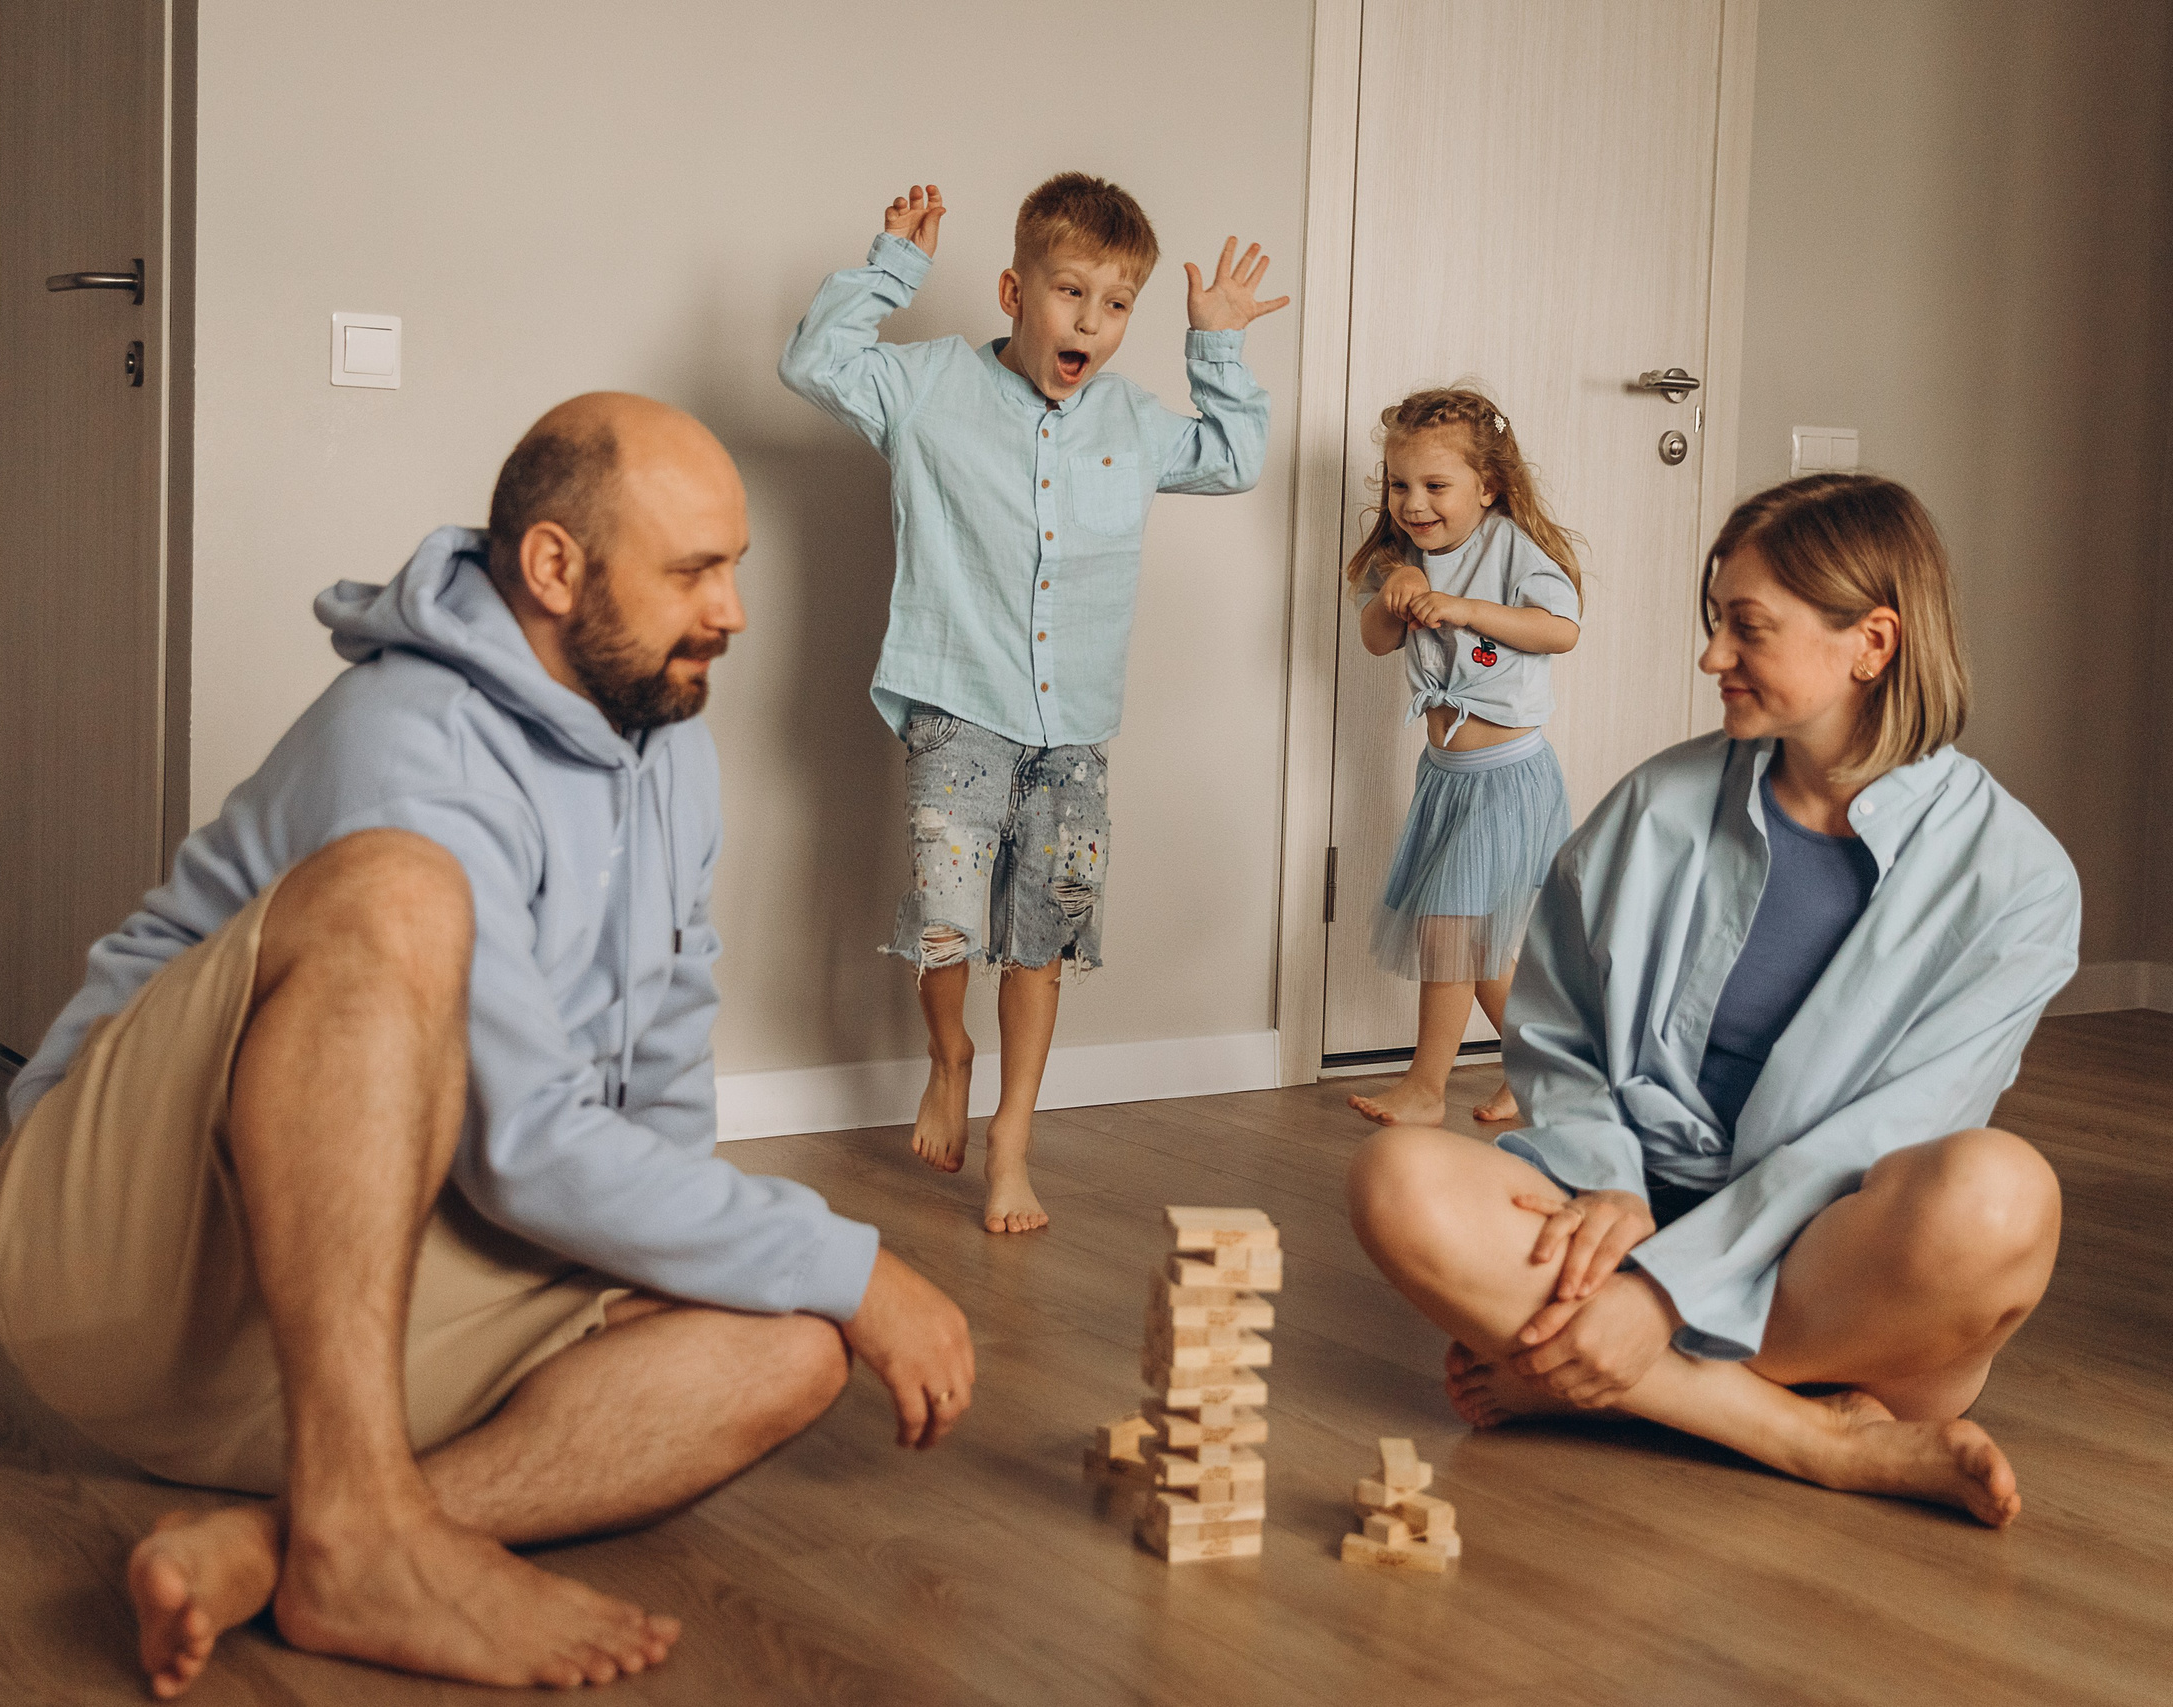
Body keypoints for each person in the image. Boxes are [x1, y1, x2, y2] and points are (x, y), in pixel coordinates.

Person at [0, 394, 977, 1698]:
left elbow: (660, 1072)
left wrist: (724, 1274)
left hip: (336, 1278)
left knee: (785, 1341)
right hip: (128, 1253)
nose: (731, 610)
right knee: (401, 886)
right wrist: (858, 1261)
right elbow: (532, 1150)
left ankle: (305, 1538)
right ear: (558, 567)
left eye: (735, 567)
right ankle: (359, 1530)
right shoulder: (414, 742)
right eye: (693, 571)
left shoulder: (667, 738)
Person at [1346, 473, 2078, 1527]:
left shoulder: (2019, 877)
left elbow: (1900, 1125)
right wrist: (1607, 1185)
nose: (1712, 656)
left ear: (1871, 641)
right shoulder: (1659, 803)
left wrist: (1662, 1295)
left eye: (1746, 628)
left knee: (2002, 1195)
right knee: (1395, 1180)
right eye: (1713, 623)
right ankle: (1804, 1432)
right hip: (1622, 1220)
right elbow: (1554, 1030)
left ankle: (1607, 1379)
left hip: (1830, 1267)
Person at [779, 173, 1289, 1233]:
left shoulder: (1132, 421)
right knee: (945, 923)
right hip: (954, 703)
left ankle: (1014, 1135)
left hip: (1074, 732)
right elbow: (811, 361)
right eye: (1070, 295)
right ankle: (948, 1052)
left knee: (1041, 939)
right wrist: (892, 268)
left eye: (1115, 306)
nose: (1091, 325)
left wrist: (1219, 348)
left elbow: (1235, 456)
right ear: (1014, 290)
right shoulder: (925, 388)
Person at [1341, 387, 1584, 1129]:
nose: (1414, 502)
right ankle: (1550, 1072)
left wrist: (1468, 609)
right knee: (1475, 948)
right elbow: (1377, 642)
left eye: (1435, 485)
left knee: (1451, 930)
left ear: (1489, 485)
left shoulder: (1512, 549)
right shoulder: (1401, 558)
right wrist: (1396, 592)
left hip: (1508, 777)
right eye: (1400, 484)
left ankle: (1425, 1085)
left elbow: (1561, 628)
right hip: (1444, 780)